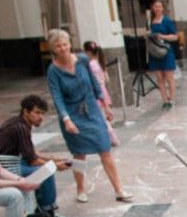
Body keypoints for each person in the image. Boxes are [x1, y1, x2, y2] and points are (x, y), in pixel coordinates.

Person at [46, 28, 131, 203]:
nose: (63, 49)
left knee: (105, 149)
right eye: (58, 46)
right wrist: (66, 119)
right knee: (79, 153)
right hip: (72, 113)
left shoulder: (82, 60)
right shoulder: (53, 71)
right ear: (53, 49)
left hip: (91, 109)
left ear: (70, 44)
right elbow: (57, 97)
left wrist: (105, 106)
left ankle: (118, 189)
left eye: (65, 44)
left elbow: (95, 83)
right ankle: (80, 188)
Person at [0, 95, 72, 217]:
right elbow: (32, 160)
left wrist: (52, 159)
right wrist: (55, 166)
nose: (41, 117)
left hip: (11, 162)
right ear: (26, 111)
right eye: (37, 112)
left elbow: (30, 152)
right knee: (46, 172)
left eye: (42, 113)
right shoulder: (20, 127)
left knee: (46, 167)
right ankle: (47, 213)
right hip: (5, 168)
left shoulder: (20, 123)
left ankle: (40, 209)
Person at [83, 41, 118, 147]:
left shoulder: (90, 65)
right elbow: (106, 79)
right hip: (103, 89)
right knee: (102, 115)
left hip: (95, 91)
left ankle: (111, 137)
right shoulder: (100, 63)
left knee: (100, 116)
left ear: (88, 52)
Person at [147, 0, 179, 107]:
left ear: (162, 8)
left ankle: (172, 100)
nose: (157, 8)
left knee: (169, 77)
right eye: (156, 6)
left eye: (159, 6)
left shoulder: (167, 21)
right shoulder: (150, 22)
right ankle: (165, 100)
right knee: (160, 78)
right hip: (155, 51)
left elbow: (175, 36)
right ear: (153, 8)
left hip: (166, 50)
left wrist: (162, 36)